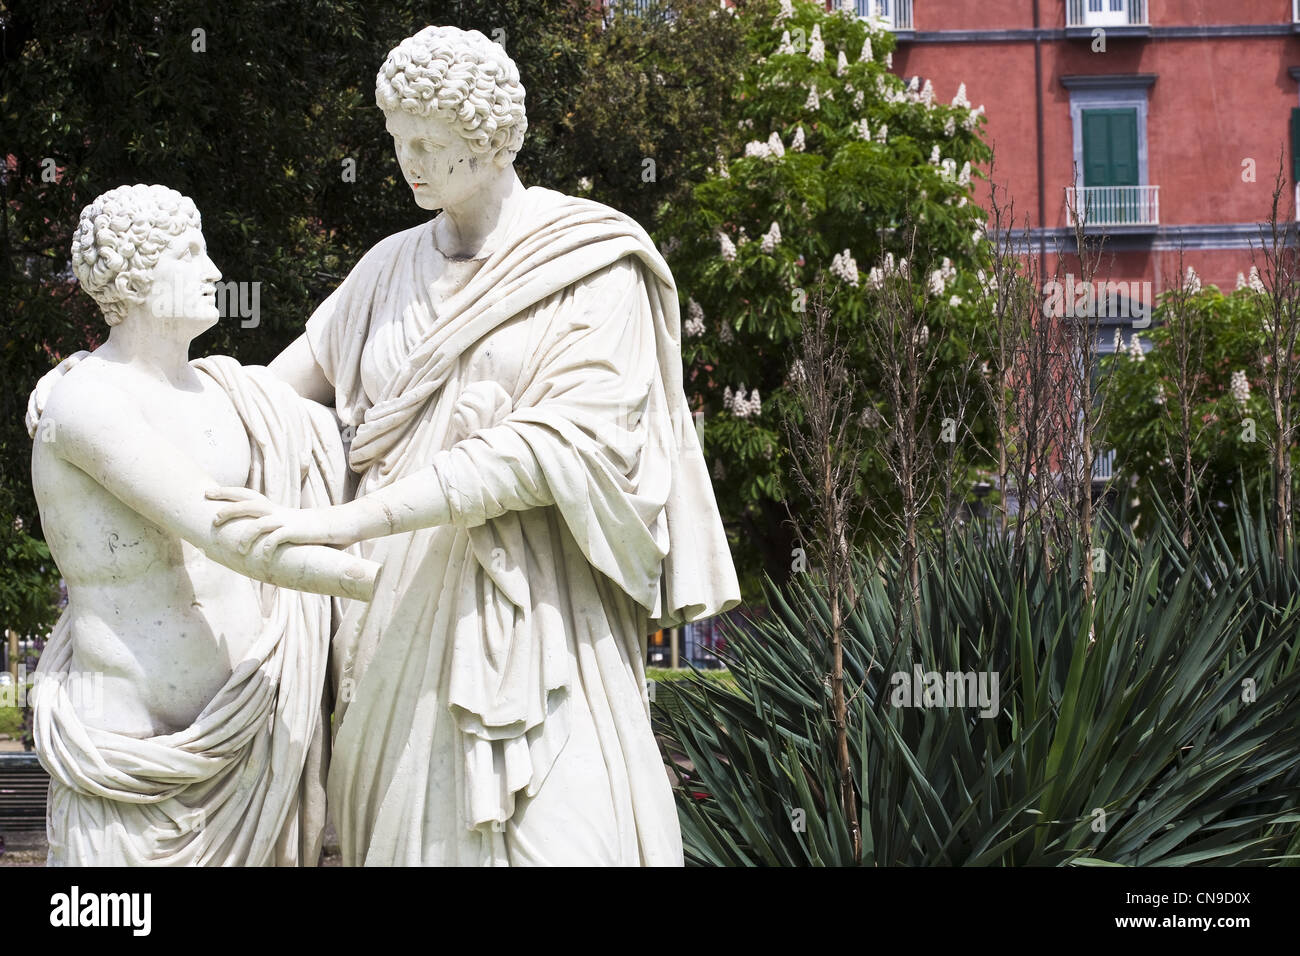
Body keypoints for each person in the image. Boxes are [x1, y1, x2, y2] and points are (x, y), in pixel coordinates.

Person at [210, 26, 740, 866]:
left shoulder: (592, 260)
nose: (408, 162)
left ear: (494, 140)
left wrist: (352, 522)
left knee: (567, 841)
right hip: (390, 623)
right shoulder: (385, 271)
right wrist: (133, 388)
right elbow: (263, 400)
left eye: (430, 143)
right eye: (396, 141)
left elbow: (557, 441)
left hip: (542, 623)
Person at [28, 184, 377, 866]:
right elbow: (232, 537)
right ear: (133, 274)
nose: (215, 271)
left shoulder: (231, 393)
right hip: (134, 755)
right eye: (190, 253)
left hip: (249, 740)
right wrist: (393, 584)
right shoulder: (86, 403)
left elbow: (350, 326)